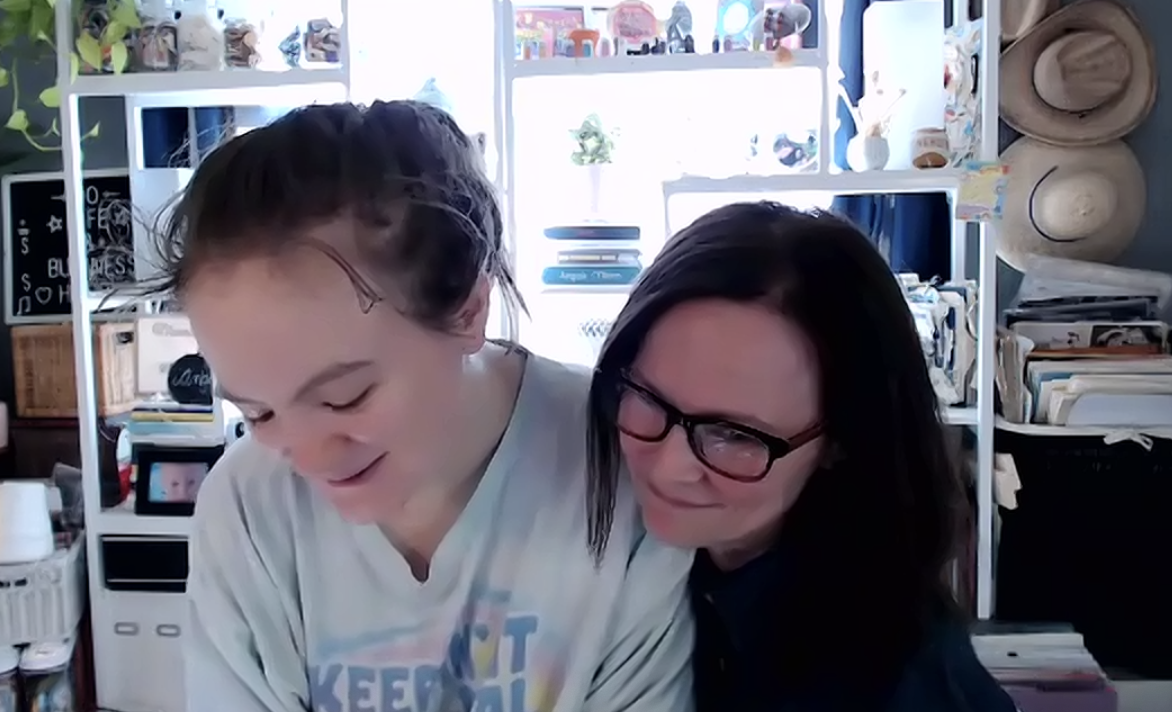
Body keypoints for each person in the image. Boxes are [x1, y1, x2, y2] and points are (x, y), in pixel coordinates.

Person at [151, 100, 694, 712]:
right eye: (259, 414)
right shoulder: (248, 508)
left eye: (344, 397)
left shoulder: (620, 466)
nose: (307, 456)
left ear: (467, 309)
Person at [585, 202, 1017, 712]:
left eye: (734, 435)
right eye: (647, 397)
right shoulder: (666, 568)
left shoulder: (893, 684)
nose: (667, 468)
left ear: (840, 441)